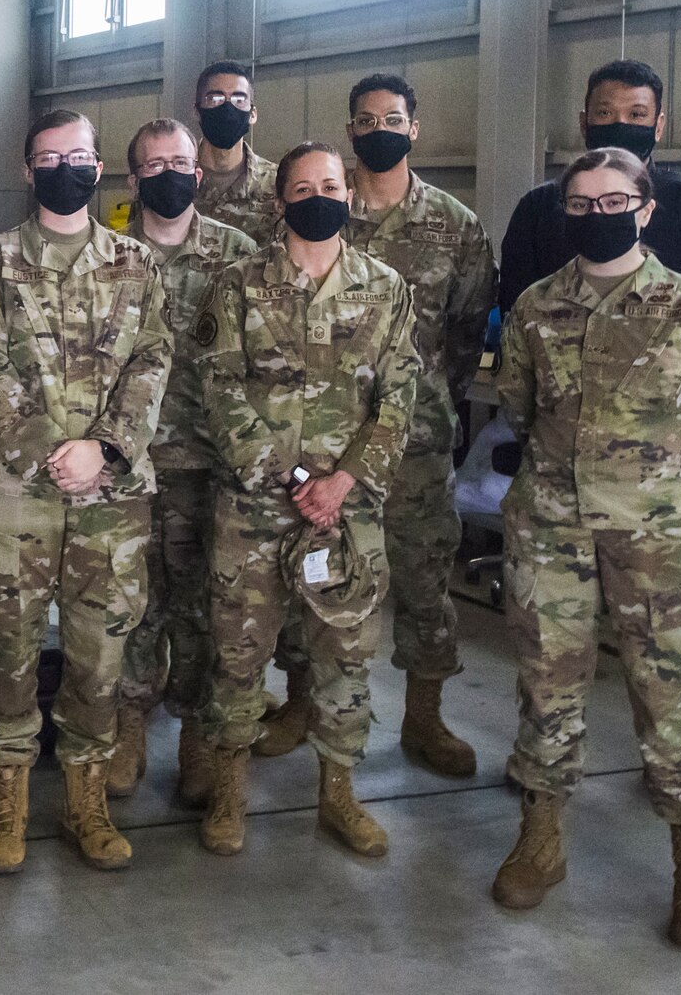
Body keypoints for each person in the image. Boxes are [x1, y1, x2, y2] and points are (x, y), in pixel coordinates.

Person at [490, 147, 681, 952]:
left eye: (614, 201)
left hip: (661, 537)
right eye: (581, 203)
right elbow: (518, 401)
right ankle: (541, 838)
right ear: (565, 212)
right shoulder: (538, 306)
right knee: (547, 682)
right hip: (553, 525)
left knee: (673, 693)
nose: (597, 215)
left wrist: (676, 482)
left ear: (645, 209)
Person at [256, 76, 496, 773]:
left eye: (393, 118)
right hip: (320, 446)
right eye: (366, 118)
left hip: (414, 445)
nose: (379, 127)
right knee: (313, 572)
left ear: (414, 129)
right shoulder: (320, 206)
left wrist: (430, 406)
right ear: (351, 128)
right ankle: (302, 702)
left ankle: (424, 716)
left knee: (424, 579)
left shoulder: (455, 224)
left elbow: (464, 331)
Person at [0, 109, 172, 875]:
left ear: (99, 164)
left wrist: (105, 448)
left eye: (78, 155)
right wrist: (52, 449)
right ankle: (6, 805)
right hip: (18, 490)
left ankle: (87, 801)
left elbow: (153, 358)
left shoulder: (135, 262)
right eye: (50, 156)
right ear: (27, 168)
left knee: (98, 658)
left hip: (110, 496)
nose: (65, 167)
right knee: (8, 654)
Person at [194, 142, 420, 860]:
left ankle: (339, 794)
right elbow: (219, 387)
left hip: (346, 515)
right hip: (256, 505)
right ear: (279, 200)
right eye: (303, 185)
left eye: (330, 184)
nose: (318, 194)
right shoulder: (238, 285)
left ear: (349, 195)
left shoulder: (384, 289)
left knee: (345, 657)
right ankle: (230, 793)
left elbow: (400, 399)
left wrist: (343, 482)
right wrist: (293, 478)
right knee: (238, 654)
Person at [111, 118, 256, 805]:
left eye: (181, 161)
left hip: (210, 461)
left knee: (204, 608)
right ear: (133, 177)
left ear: (198, 173)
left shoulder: (240, 255)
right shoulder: (109, 253)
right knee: (132, 605)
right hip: (130, 466)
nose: (170, 173)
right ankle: (128, 728)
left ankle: (199, 733)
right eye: (154, 164)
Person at [498, 59, 681, 314]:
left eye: (636, 114)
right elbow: (515, 309)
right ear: (584, 123)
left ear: (658, 126)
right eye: (604, 113)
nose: (621, 124)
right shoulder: (539, 207)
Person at [191, 59, 278, 246]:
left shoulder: (278, 184)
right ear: (197, 111)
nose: (227, 108)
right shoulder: (173, 178)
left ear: (252, 114)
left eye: (239, 100)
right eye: (215, 99)